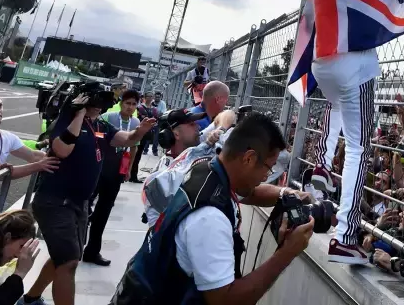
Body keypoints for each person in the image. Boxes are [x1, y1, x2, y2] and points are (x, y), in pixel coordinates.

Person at [292, 0, 404, 263]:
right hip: (356, 68)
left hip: (322, 63)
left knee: (337, 104)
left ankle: (321, 166)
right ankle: (345, 237)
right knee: (359, 147)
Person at [111, 111, 316, 305]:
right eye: (268, 167)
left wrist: (286, 194)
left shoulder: (206, 168)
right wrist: (287, 252)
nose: (266, 176)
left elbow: (251, 192)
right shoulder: (209, 219)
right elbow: (224, 300)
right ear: (249, 158)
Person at [21, 85, 156, 305]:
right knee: (69, 262)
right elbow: (63, 150)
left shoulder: (100, 125)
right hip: (55, 201)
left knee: (64, 259)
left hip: (79, 203)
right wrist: (79, 113)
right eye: (96, 100)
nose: (101, 104)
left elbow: (125, 139)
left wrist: (140, 131)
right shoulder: (65, 121)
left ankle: (31, 298)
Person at [83, 89, 141, 266]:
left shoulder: (136, 122)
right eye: (127, 103)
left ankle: (92, 251)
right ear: (121, 103)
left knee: (105, 210)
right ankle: (77, 243)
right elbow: (96, 139)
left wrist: (129, 169)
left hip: (117, 169)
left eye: (133, 104)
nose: (130, 107)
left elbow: (134, 147)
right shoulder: (108, 117)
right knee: (85, 204)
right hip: (100, 166)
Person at [130, 93, 159, 180]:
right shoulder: (139, 108)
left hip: (147, 134)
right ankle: (131, 174)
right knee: (133, 153)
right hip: (138, 132)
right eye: (148, 96)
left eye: (151, 96)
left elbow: (156, 120)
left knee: (138, 154)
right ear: (144, 98)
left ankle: (133, 174)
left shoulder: (154, 109)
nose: (150, 98)